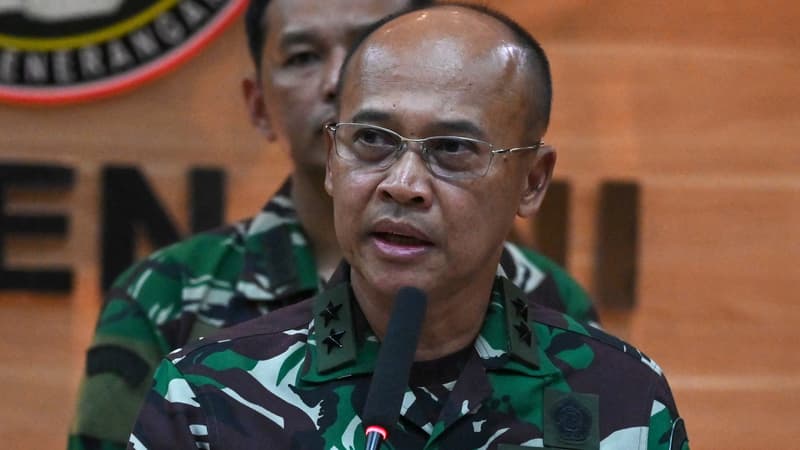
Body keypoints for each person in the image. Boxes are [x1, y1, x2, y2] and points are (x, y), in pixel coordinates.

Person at [127, 4, 689, 449]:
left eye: (452, 148)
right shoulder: (204, 395)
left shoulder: (624, 400)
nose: (402, 184)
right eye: (372, 140)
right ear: (333, 160)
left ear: (532, 181)